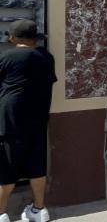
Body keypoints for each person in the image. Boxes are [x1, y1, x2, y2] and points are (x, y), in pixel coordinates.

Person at [0, 20, 56, 222]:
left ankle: (1, 213)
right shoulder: (46, 57)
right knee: (36, 166)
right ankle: (39, 210)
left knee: (6, 169)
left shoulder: (7, 57)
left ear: (14, 38)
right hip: (38, 121)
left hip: (11, 121)